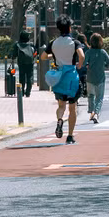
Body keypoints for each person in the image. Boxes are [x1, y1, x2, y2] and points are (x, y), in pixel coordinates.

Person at [41, 15, 85, 145]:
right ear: (70, 28)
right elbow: (81, 55)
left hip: (59, 76)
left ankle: (60, 119)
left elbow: (43, 56)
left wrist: (53, 56)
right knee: (73, 107)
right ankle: (70, 135)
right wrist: (80, 64)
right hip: (71, 76)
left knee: (61, 105)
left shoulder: (53, 43)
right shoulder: (74, 42)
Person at [84, 33, 109, 123]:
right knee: (99, 98)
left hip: (90, 78)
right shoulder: (103, 52)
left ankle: (91, 111)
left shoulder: (88, 52)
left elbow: (84, 63)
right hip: (100, 78)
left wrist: (88, 65)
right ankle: (96, 113)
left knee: (91, 96)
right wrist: (103, 65)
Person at [10, 30, 36, 97]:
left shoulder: (17, 44)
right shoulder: (31, 44)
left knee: (22, 77)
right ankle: (28, 92)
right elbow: (35, 53)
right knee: (29, 77)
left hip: (21, 62)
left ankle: (21, 92)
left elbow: (14, 54)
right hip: (30, 62)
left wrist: (13, 58)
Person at [76, 33, 89, 98]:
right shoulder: (87, 47)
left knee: (78, 79)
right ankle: (85, 88)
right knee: (84, 77)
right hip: (85, 66)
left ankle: (78, 91)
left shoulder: (76, 46)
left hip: (77, 65)